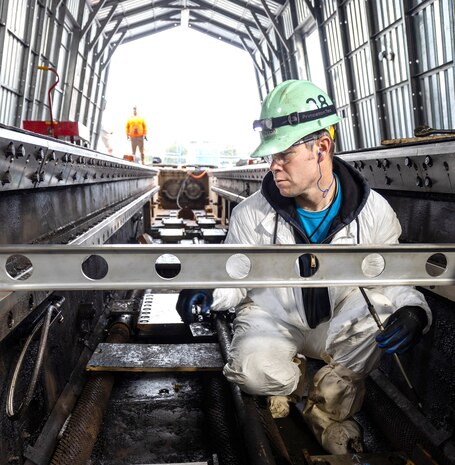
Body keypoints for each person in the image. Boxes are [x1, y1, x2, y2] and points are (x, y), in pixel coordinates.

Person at [176, 80, 431, 455]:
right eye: (270, 155)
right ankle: (293, 382)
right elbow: (233, 275)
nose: (273, 166)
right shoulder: (253, 214)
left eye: (283, 153)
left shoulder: (373, 212)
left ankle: (326, 404)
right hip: (275, 316)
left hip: (338, 321)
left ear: (321, 148)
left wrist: (415, 312)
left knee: (383, 309)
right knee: (253, 371)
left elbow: (391, 278)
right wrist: (209, 291)